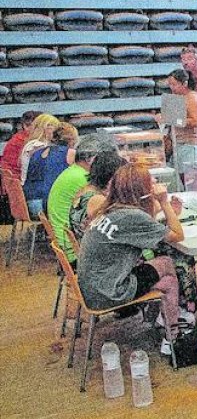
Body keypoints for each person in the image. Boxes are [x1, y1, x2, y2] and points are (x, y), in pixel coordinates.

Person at [77, 164, 186, 356]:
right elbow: (178, 235)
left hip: (90, 288)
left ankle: (167, 318)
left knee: (167, 280)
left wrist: (161, 209)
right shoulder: (131, 216)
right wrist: (164, 202)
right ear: (141, 189)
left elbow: (141, 224)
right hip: (108, 292)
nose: (155, 184)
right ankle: (173, 335)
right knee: (167, 264)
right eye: (151, 181)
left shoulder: (111, 208)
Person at [46, 133, 116, 264]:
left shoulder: (73, 171)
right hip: (74, 250)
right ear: (92, 159)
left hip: (66, 240)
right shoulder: (84, 178)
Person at [67, 151, 126, 249]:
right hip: (95, 257)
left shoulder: (87, 190)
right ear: (112, 177)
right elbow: (118, 230)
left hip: (85, 249)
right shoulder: (97, 200)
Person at [24, 123, 78, 218]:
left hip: (30, 205)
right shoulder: (71, 154)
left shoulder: (36, 153)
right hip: (49, 206)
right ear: (72, 140)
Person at [164, 69, 197, 172]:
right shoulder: (176, 97)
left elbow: (196, 121)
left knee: (189, 178)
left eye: (174, 84)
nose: (171, 87)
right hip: (176, 144)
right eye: (170, 84)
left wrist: (174, 120)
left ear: (184, 83)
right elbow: (171, 120)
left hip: (189, 144)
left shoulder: (192, 97)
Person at [19, 113, 60, 185]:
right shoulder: (37, 146)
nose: (58, 133)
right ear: (47, 128)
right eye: (56, 130)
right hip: (33, 187)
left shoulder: (31, 143)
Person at [2, 111, 42, 175]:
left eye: (35, 126)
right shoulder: (17, 140)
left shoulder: (42, 138)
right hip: (17, 177)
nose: (30, 129)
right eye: (28, 125)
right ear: (23, 125)